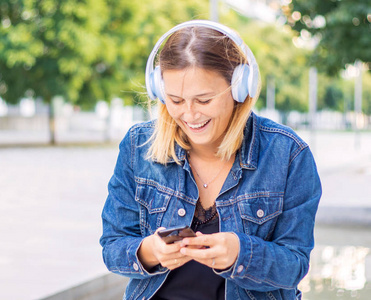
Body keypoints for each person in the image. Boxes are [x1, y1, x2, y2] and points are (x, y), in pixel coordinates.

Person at [100, 20, 321, 300]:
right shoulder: (138, 145)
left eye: (203, 100)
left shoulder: (288, 154)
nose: (189, 115)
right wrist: (150, 251)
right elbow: (112, 247)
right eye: (176, 100)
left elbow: (295, 265)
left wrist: (241, 254)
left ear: (239, 87)